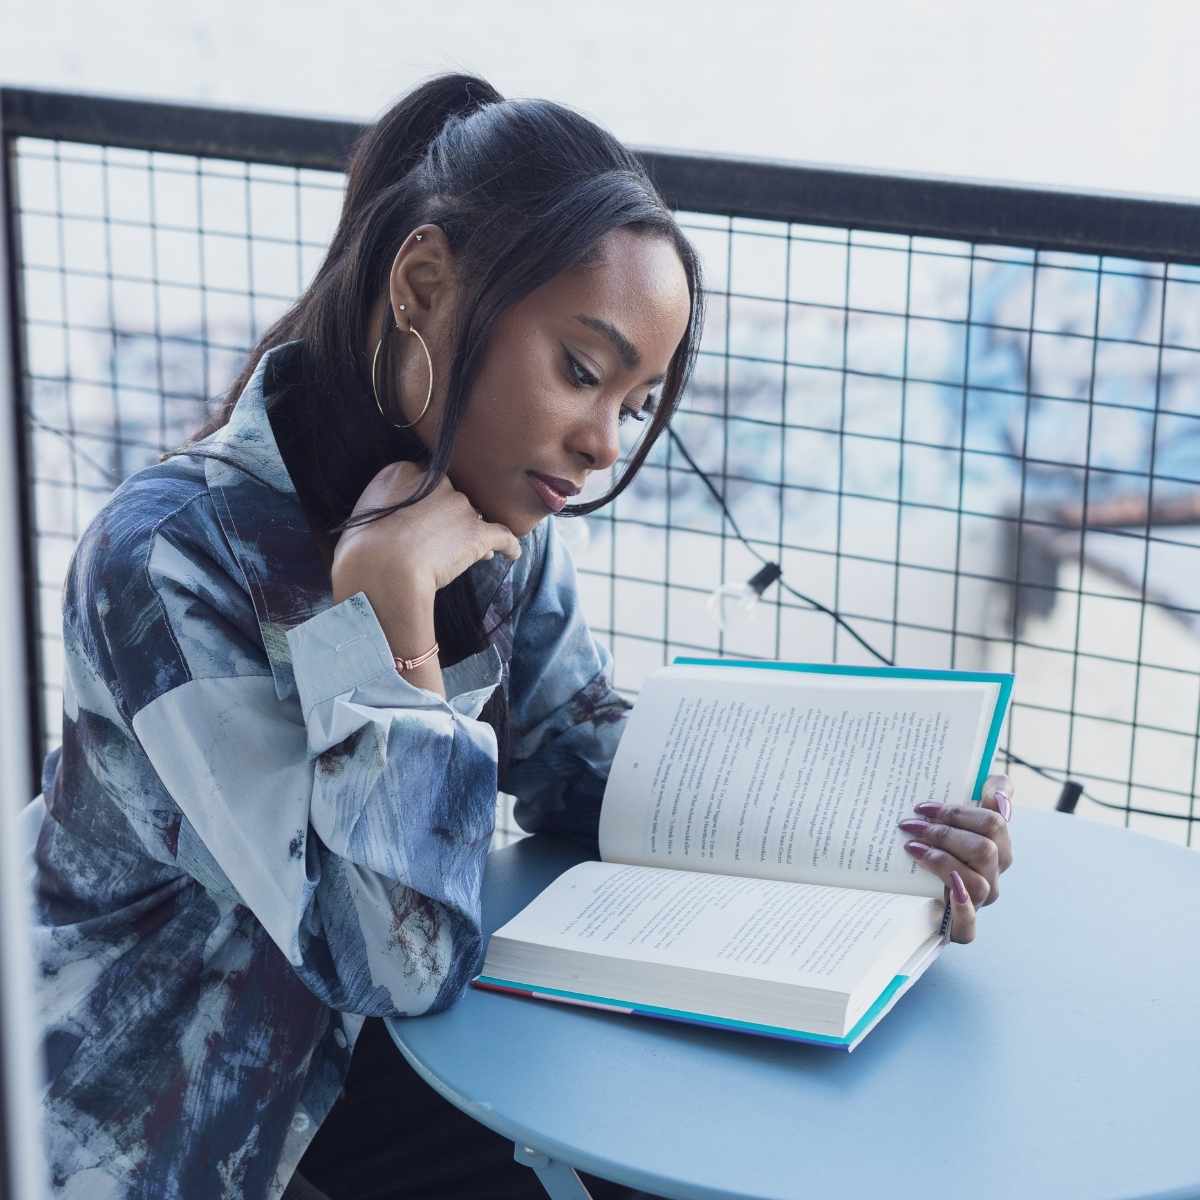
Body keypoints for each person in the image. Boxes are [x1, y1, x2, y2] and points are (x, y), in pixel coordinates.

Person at [25, 71, 1015, 1200]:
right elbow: (386, 959)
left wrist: (890, 831)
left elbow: (578, 760)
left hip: (376, 1064)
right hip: (171, 1121)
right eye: (582, 372)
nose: (601, 444)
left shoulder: (495, 510)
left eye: (634, 404)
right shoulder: (166, 559)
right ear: (425, 285)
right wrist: (386, 622)